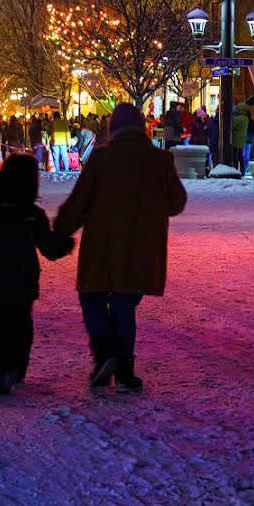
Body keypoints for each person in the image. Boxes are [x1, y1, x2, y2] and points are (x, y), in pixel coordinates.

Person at [53, 102, 188, 393]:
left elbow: (79, 202)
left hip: (101, 246)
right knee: (124, 304)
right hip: (140, 249)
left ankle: (105, 355)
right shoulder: (160, 160)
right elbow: (177, 202)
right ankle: (124, 369)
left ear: (112, 129)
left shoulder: (102, 160)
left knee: (92, 298)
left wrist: (60, 231)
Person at [0, 154, 73, 394]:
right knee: (21, 325)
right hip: (23, 281)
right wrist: (67, 244)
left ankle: (1, 370)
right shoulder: (32, 215)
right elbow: (49, 248)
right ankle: (14, 368)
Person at [231, 103, 252, 175]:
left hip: (236, 139)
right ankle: (242, 171)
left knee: (235, 157)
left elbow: (232, 127)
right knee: (241, 157)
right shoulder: (246, 118)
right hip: (242, 140)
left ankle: (236, 170)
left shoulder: (238, 119)